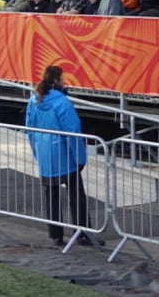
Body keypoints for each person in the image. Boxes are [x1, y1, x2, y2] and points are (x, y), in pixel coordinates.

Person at [26, 65, 102, 248]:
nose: (65, 82)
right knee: (76, 195)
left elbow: (29, 129)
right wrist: (80, 158)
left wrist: (36, 152)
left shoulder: (34, 100)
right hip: (64, 155)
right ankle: (82, 234)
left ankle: (56, 235)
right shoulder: (63, 103)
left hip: (44, 152)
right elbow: (73, 132)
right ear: (57, 81)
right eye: (63, 78)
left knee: (51, 195)